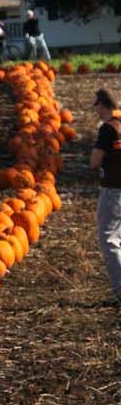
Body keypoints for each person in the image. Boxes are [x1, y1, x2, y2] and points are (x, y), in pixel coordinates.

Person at [91, 89, 121, 307]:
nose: (96, 110)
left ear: (103, 104)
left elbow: (94, 161)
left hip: (113, 189)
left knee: (108, 239)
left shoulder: (108, 130)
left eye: (96, 105)